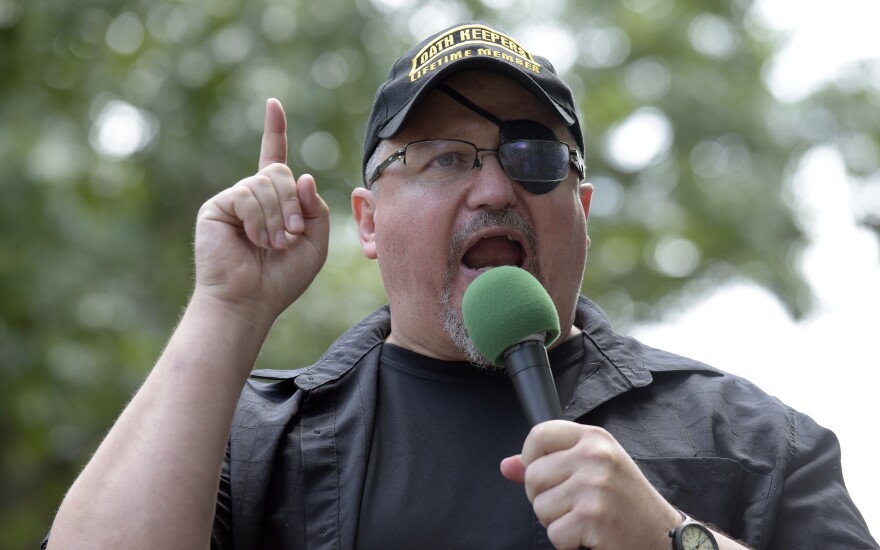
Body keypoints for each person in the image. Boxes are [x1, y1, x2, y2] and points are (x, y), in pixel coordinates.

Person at [45, 21, 876, 550]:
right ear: (367, 222)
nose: (494, 190)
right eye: (445, 156)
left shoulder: (758, 443)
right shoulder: (254, 446)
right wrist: (227, 307)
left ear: (580, 210)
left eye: (534, 157)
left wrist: (672, 540)